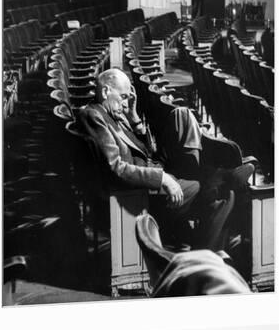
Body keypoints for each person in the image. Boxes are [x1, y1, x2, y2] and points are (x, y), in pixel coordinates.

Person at [78, 68, 252, 251]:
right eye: (122, 96)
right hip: (140, 193)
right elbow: (116, 168)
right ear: (106, 91)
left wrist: (134, 118)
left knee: (181, 114)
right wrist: (163, 178)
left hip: (151, 169)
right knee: (220, 192)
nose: (124, 102)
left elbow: (144, 150)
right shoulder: (93, 116)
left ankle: (213, 178)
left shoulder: (112, 113)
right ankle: (206, 247)